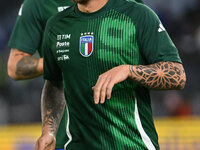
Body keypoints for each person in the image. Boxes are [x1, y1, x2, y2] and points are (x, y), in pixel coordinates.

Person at [7, 0, 144, 149]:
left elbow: (155, 59)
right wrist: (65, 57)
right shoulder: (38, 4)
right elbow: (14, 66)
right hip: (66, 135)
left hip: (123, 129)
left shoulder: (132, 7)